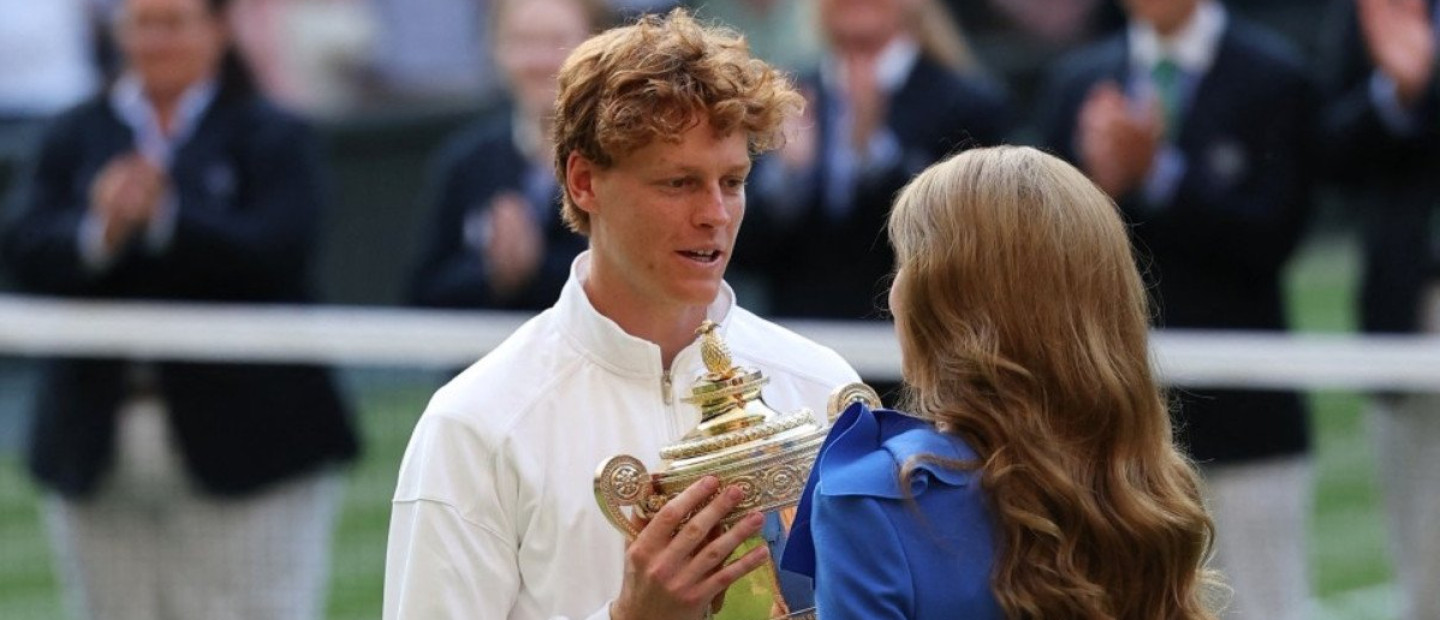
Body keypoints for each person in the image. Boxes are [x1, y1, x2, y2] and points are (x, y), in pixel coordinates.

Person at [383, 9, 860, 620]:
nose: (715, 213)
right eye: (679, 183)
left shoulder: (819, 388)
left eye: (733, 181)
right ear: (584, 181)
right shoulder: (476, 425)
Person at [0, 0, 359, 618]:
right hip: (97, 441)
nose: (156, 41)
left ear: (218, 29)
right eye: (142, 23)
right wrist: (102, 230)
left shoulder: (272, 132)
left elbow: (278, 253)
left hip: (251, 444)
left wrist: (167, 217)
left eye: (174, 22)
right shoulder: (73, 133)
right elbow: (26, 249)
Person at [780, 145, 1219, 619]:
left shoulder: (871, 500)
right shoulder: (1139, 484)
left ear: (947, 302)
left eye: (905, 261)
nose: (893, 291)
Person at [1033, 1, 1316, 617]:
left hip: (1247, 417)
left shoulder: (1274, 74)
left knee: (1265, 603)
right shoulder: (1080, 80)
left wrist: (1159, 173)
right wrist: (1094, 185)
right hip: (1109, 418)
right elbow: (1043, 249)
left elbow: (1274, 237)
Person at [739, 0, 1011, 325]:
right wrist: (788, 177)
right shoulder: (784, 96)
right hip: (798, 333)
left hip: (916, 337)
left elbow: (967, 244)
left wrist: (873, 156)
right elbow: (743, 249)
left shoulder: (968, 103)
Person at [1318, 1, 1439, 619]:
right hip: (1409, 294)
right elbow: (1330, 148)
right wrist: (1395, 91)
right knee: (1421, 521)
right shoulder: (1376, 9)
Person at [406, 0, 602, 310]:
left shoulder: (623, 160)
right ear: (495, 49)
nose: (540, 61)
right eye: (523, 41)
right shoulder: (467, 162)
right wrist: (493, 273)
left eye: (557, 41)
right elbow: (424, 292)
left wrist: (537, 267)